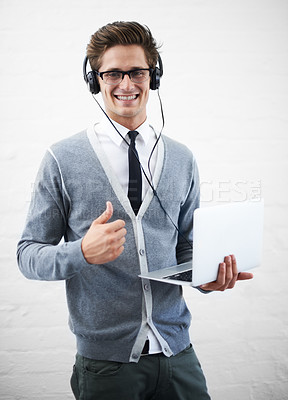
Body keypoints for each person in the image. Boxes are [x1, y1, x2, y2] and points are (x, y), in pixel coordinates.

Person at [17, 21, 253, 400]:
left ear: (153, 76)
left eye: (137, 72)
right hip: (107, 365)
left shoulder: (181, 158)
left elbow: (187, 248)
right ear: (94, 80)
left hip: (177, 353)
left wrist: (207, 277)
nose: (126, 85)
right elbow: (28, 255)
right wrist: (81, 252)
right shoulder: (61, 158)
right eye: (112, 73)